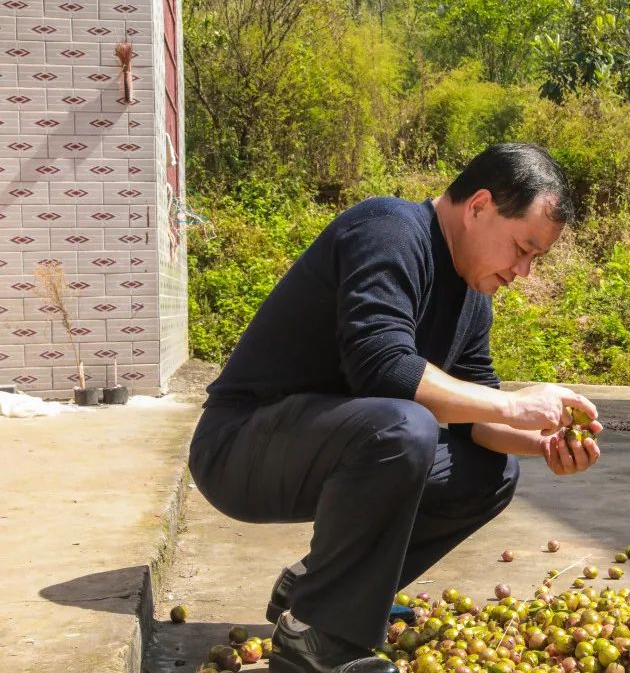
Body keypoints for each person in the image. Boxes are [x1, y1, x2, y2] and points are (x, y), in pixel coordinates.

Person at [188, 143, 604, 673]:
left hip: (332, 443)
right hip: (242, 449)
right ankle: (316, 638)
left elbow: (477, 417)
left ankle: (320, 590)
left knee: (490, 472)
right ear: (478, 206)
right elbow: (383, 369)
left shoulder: (473, 294)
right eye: (522, 248)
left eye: (535, 259)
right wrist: (516, 405)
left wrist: (543, 443)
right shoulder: (389, 228)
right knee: (405, 426)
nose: (523, 272)